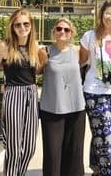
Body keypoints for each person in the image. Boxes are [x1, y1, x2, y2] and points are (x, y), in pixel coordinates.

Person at [0, 8, 43, 176]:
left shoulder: (35, 47)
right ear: (12, 27)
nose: (22, 27)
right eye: (17, 24)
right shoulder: (5, 46)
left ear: (31, 26)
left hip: (32, 94)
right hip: (13, 94)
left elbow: (38, 71)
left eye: (26, 24)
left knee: (29, 148)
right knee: (13, 147)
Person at [79, 0, 111, 176]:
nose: (110, 17)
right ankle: (108, 172)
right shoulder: (89, 36)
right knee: (105, 137)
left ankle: (96, 169)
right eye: (108, 13)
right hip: (94, 92)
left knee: (104, 134)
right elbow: (81, 61)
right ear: (101, 14)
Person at [39, 18, 86, 176]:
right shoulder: (45, 52)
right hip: (52, 109)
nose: (62, 32)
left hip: (76, 109)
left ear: (71, 33)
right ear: (54, 31)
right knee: (53, 154)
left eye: (66, 30)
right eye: (59, 29)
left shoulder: (78, 51)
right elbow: (34, 72)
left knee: (74, 153)